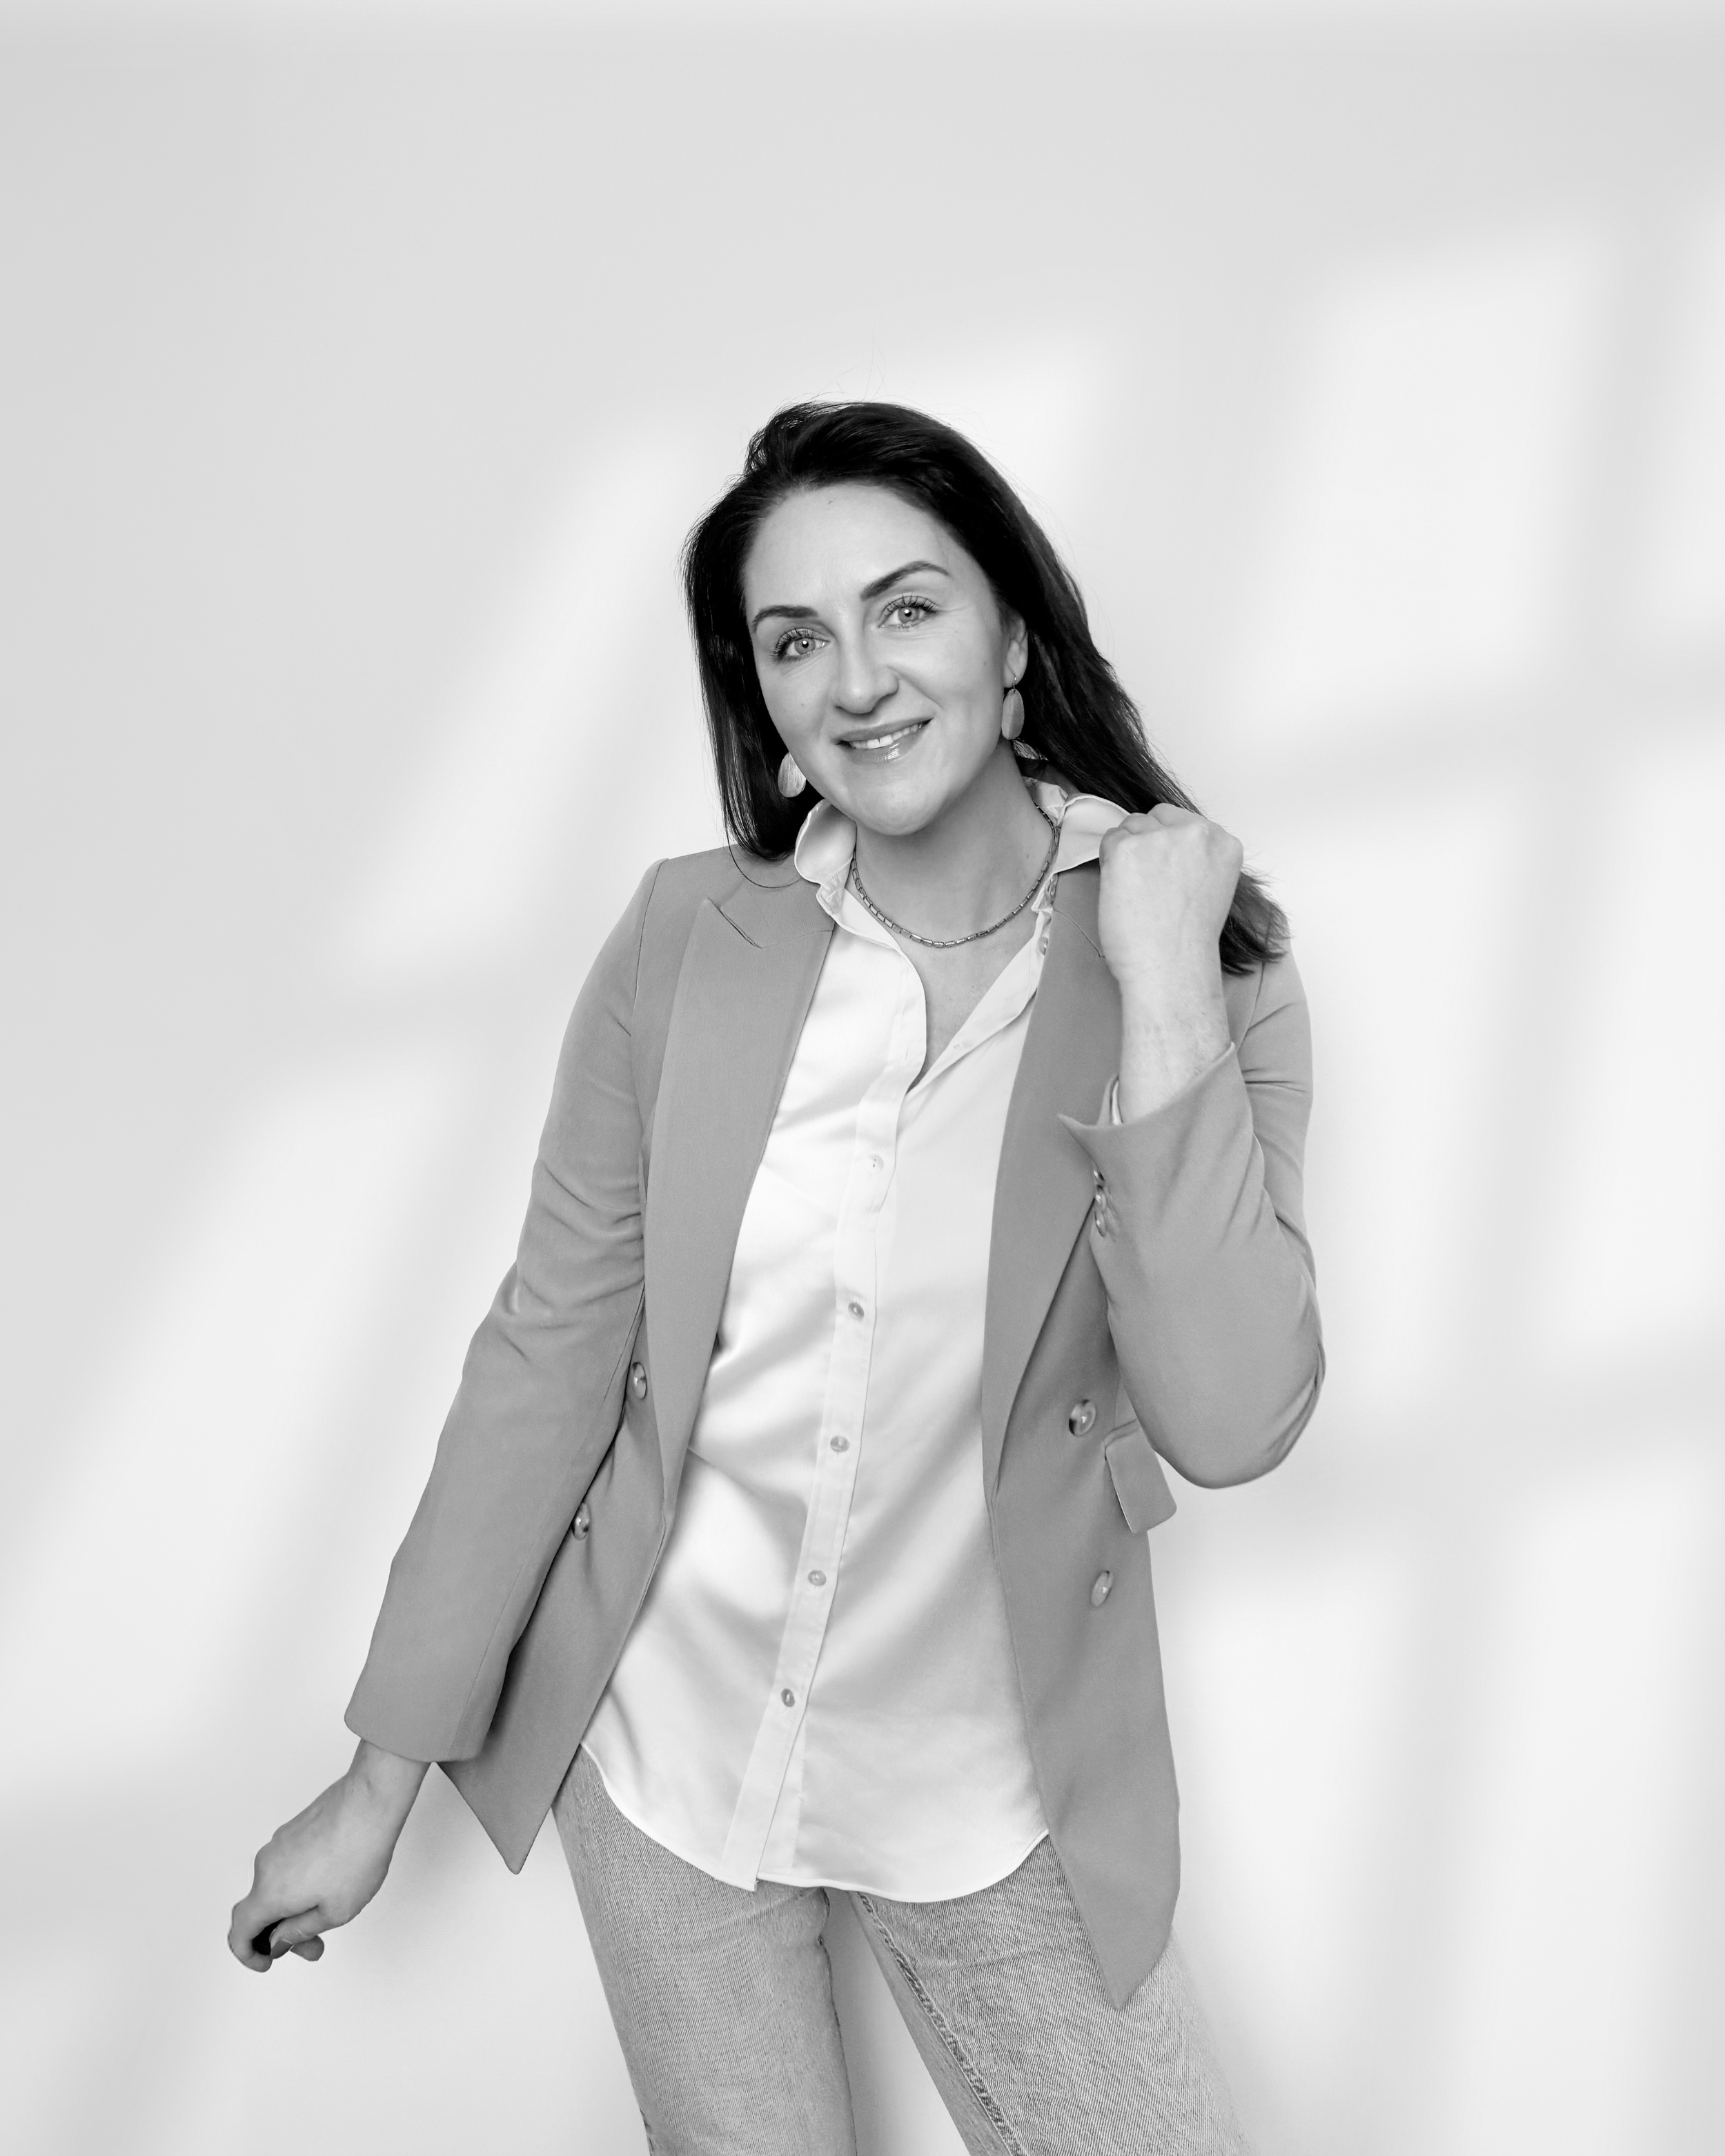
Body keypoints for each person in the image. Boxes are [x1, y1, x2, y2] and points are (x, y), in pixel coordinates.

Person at [230, 400, 1324, 2154]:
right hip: (663, 1757)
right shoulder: (686, 938)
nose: (857, 679)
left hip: (987, 1782)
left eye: (907, 607)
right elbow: (547, 1355)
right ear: (761, 696)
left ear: (1014, 637)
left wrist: (1168, 988)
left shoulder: (1201, 971)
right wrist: (377, 1784)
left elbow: (1230, 1416)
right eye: (794, 638)